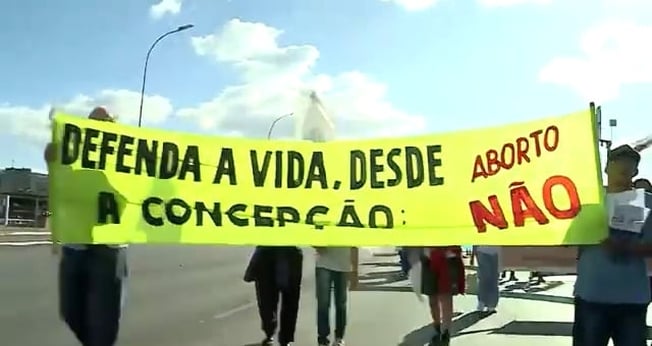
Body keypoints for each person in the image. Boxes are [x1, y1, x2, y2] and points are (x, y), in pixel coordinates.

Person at [45, 107, 128, 346]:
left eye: (105, 122)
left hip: (108, 247)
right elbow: (63, 186)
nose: (97, 126)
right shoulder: (75, 154)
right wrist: (53, 162)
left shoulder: (122, 158)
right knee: (71, 312)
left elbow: (129, 197)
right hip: (76, 245)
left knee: (103, 320)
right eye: (92, 122)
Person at [573, 144, 652, 346]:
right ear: (607, 168)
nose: (623, 172)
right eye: (617, 165)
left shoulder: (645, 202)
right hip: (591, 296)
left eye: (629, 168)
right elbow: (568, 241)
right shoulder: (588, 202)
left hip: (631, 300)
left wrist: (624, 249)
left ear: (635, 171)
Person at [246, 246, 303, 346]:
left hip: (290, 255)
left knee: (290, 302)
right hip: (267, 255)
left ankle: (286, 339)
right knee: (266, 301)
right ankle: (269, 332)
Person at [422, 246, 465, 346]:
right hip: (429, 258)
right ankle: (437, 328)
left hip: (448, 259)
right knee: (432, 299)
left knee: (446, 298)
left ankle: (446, 333)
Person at [314, 247, 353, 346]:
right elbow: (312, 234)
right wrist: (317, 244)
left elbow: (355, 245)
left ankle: (339, 337)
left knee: (341, 303)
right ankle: (323, 338)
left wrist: (355, 270)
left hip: (343, 265)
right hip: (324, 263)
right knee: (323, 303)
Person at [475, 246, 500, 314]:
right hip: (483, 251)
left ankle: (491, 305)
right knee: (485, 277)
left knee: (494, 278)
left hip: (496, 252)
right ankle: (482, 303)